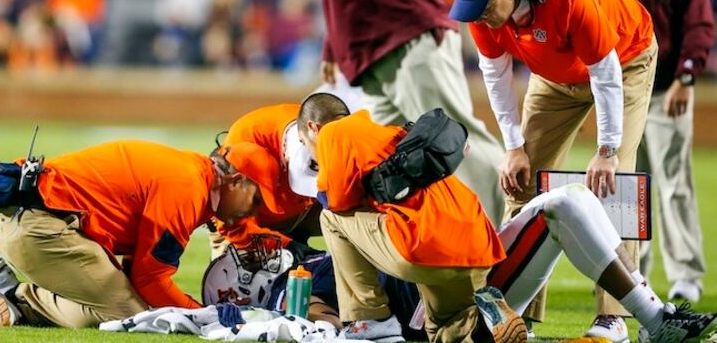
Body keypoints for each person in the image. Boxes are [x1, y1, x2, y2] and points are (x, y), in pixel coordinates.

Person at [297, 93, 716, 343]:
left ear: (313, 129)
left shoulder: (337, 144)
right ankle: (653, 317)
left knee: (333, 216)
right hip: (479, 256)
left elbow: (333, 206)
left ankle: (372, 325)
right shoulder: (391, 139)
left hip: (431, 274)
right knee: (568, 200)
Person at [236, 0, 506, 227]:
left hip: (410, 39)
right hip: (379, 52)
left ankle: (506, 227)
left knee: (454, 138)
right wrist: (334, 44)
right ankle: (419, 241)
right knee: (387, 158)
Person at [450, 0, 658, 340]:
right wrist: (513, 147)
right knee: (520, 181)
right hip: (555, 74)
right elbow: (495, 75)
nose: (477, 17)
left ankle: (614, 317)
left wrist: (607, 150)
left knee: (616, 186)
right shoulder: (483, 9)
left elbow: (605, 71)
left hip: (625, 58)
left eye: (484, 8)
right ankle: (515, 312)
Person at [0, 140, 276, 328]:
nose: (254, 212)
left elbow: (139, 271)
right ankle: (15, 298)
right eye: (256, 200)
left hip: (27, 220)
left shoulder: (193, 175)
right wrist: (206, 316)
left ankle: (13, 299)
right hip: (38, 228)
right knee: (129, 313)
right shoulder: (189, 187)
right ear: (236, 181)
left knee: (128, 307)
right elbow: (150, 280)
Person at [298, 93, 519, 343]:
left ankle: (371, 320)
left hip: (427, 245)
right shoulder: (389, 132)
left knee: (330, 219)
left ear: (313, 128)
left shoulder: (333, 131)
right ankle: (487, 322)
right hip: (477, 244)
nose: (310, 153)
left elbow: (335, 201)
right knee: (444, 331)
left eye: (304, 143)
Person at [600, 0, 712, 305]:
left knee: (674, 184)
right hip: (624, 94)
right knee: (628, 188)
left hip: (665, 92)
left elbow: (699, 24)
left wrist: (687, 76)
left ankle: (686, 274)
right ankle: (634, 271)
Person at [202, 236, 427, 341]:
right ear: (243, 293)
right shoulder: (283, 291)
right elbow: (303, 310)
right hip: (417, 294)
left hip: (417, 279)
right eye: (249, 263)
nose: (262, 255)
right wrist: (331, 321)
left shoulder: (298, 265)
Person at [209, 103, 326, 261]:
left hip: (307, 203)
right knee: (235, 265)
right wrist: (286, 245)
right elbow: (235, 229)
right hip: (255, 218)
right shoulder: (239, 151)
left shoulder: (322, 128)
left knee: (351, 217)